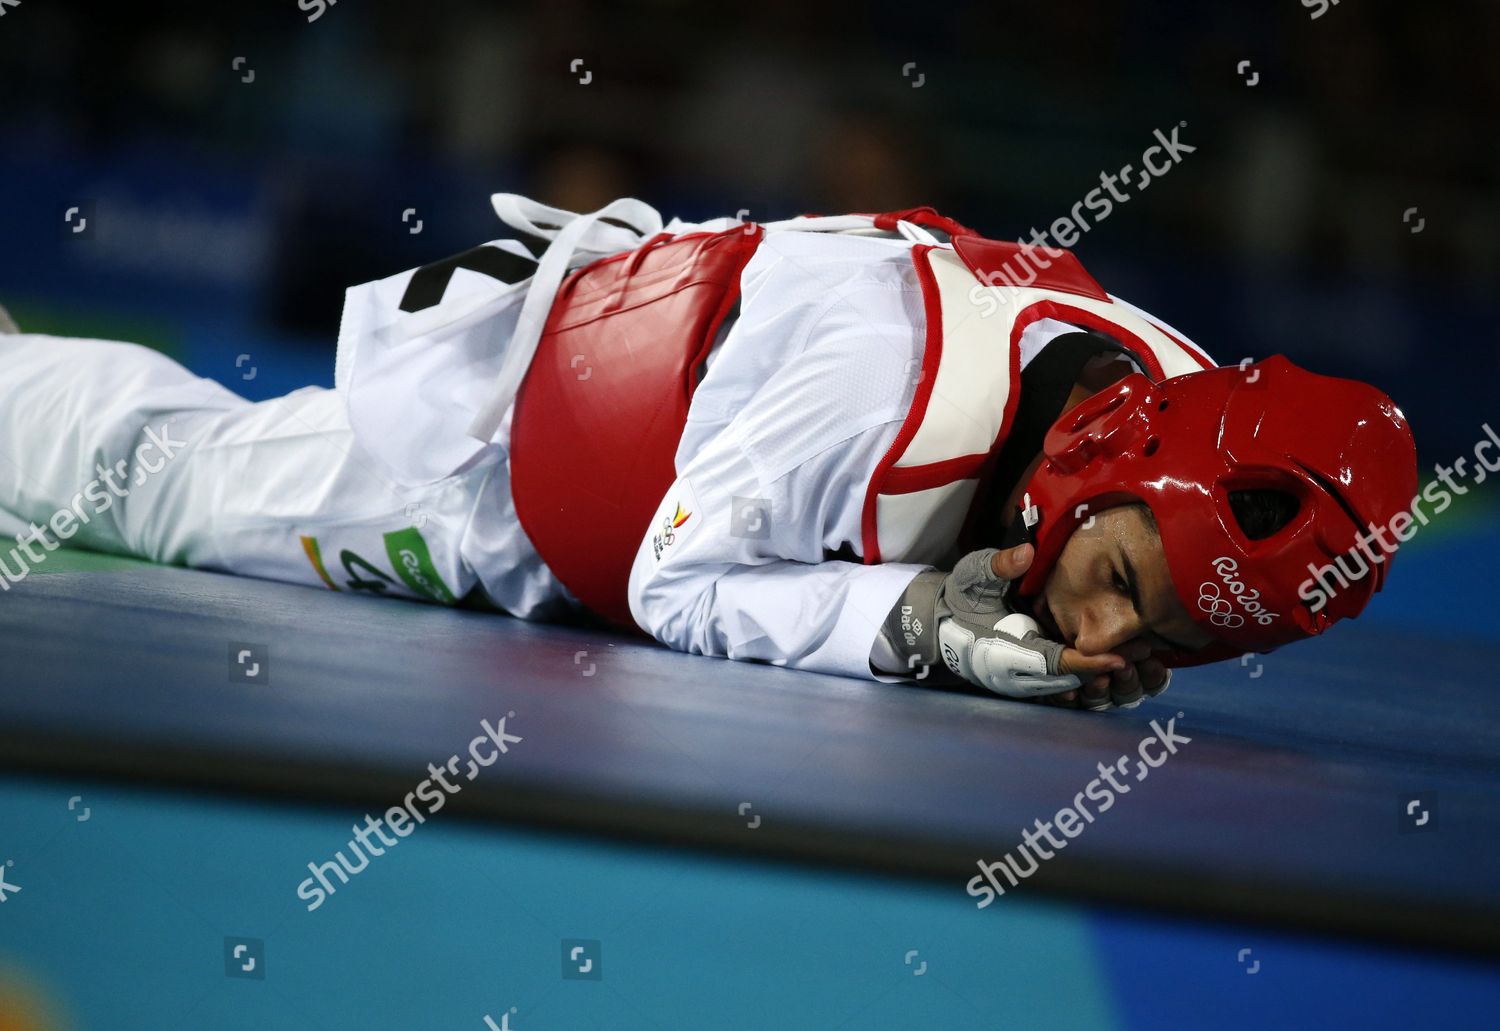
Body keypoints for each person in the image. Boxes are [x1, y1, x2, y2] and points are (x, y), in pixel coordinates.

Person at [0, 197, 1418, 712]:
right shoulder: (884, 388)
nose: (1103, 633)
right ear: (1099, 457)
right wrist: (908, 624)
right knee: (174, 483)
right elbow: (680, 580)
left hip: (701, 373)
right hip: (521, 470)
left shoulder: (1176, 400)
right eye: (1115, 575)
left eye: (1159, 635)